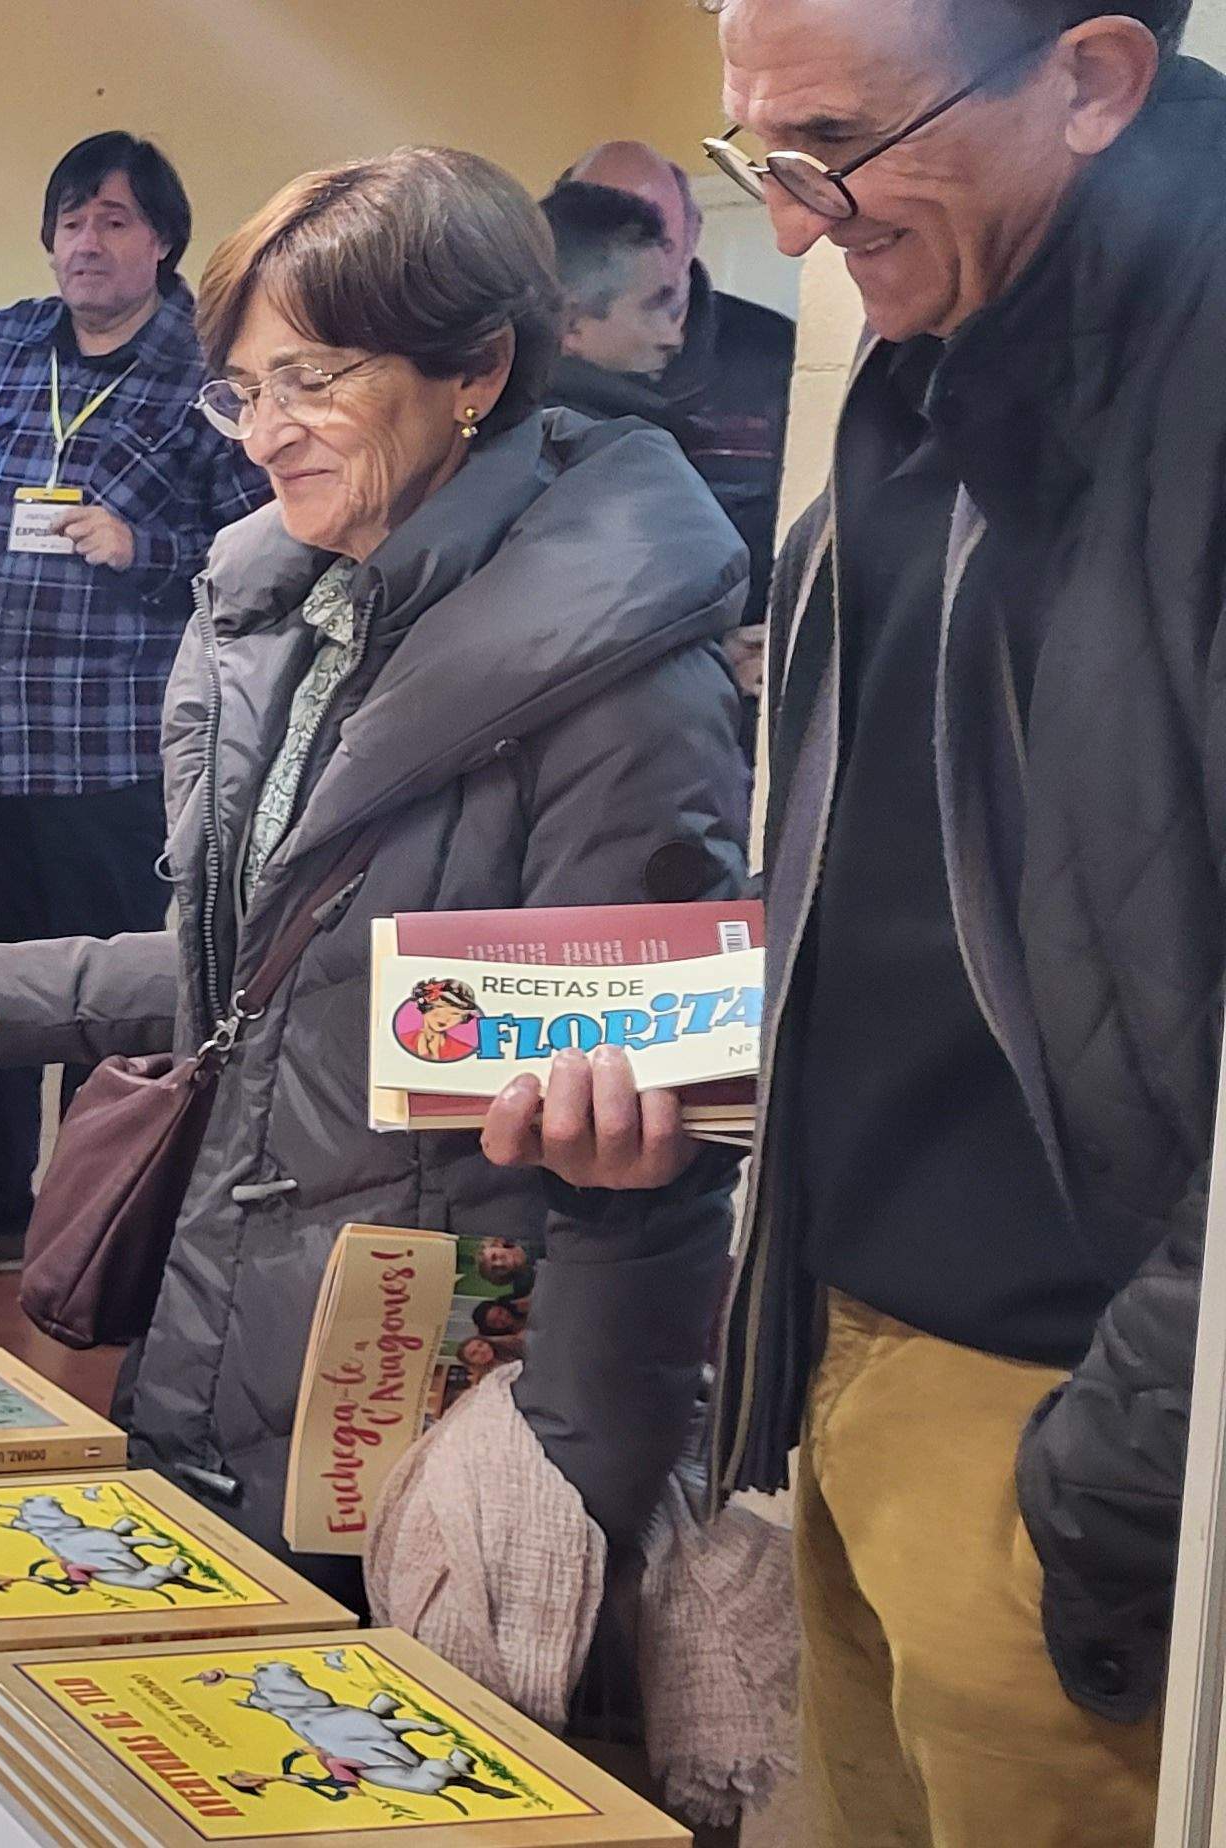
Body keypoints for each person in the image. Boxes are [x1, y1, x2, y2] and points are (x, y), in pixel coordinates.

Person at [498, 2, 1221, 1838]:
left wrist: (1124, 1462)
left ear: (1093, 78)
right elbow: (924, 876)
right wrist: (689, 1076)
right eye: (762, 154)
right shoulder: (934, 353)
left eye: (838, 143)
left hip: (1077, 1407)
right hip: (853, 1349)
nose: (798, 223)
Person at [0, 151, 751, 1622]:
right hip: (235, 1323)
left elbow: (652, 1150)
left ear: (473, 371)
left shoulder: (617, 686)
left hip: (424, 1392)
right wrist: (7, 989)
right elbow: (297, 971)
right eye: (242, 390)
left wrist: (556, 1495)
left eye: (314, 382)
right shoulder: (296, 601)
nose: (263, 436)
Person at [0, 133, 271, 1280]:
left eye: (114, 221)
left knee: (103, 1004)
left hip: (107, 752)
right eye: (70, 221)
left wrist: (148, 548)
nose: (86, 242)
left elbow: (270, 538)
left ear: (163, 242)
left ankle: (91, 1230)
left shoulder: (210, 374)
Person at [557, 140, 798, 632]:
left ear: (692, 234)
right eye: (602, 233)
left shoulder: (780, 355)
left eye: (653, 235)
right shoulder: (516, 377)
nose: (624, 255)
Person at [540, 182, 695, 397]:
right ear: (570, 324)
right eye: (652, 308)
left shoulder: (490, 412)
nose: (673, 338)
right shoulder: (632, 428)